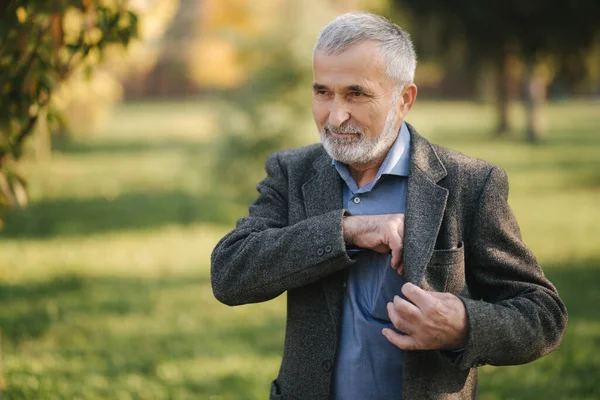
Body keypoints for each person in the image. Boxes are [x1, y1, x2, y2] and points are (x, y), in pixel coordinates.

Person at [211, 12, 567, 400]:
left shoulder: (471, 184)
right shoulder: (293, 172)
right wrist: (347, 230)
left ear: (404, 99)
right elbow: (230, 273)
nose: (335, 115)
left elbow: (543, 315)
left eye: (356, 93)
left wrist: (465, 324)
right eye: (322, 92)